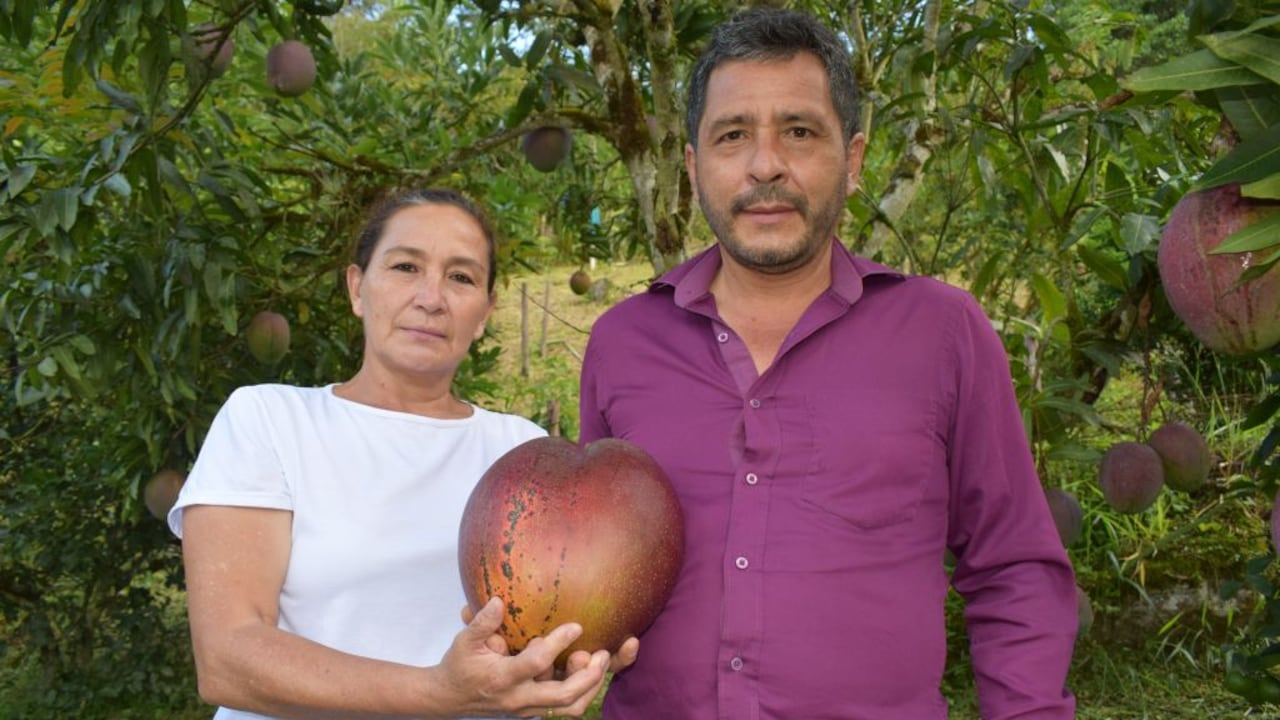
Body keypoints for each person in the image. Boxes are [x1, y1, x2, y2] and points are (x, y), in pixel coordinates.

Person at [579, 8, 1077, 719]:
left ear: (855, 156)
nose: (765, 164)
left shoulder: (943, 333)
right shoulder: (622, 342)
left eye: (800, 131)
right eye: (732, 136)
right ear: (694, 166)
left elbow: (1013, 568)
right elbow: (587, 558)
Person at [169, 188, 635, 720]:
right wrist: (439, 692)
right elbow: (228, 658)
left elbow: (544, 622)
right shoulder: (270, 420)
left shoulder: (522, 453)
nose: (431, 298)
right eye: (406, 267)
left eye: (461, 277)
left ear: (485, 312)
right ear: (357, 289)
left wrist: (568, 654)